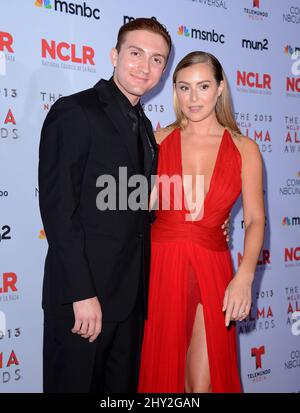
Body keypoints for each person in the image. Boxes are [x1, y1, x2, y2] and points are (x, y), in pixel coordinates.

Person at [38, 18, 172, 393]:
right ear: (114, 55)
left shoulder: (145, 127)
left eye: (157, 59)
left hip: (129, 303)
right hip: (85, 301)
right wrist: (81, 293)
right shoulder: (75, 112)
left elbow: (132, 208)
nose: (145, 66)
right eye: (135, 53)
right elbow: (58, 210)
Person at [138, 51, 265, 393]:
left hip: (214, 268)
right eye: (184, 87)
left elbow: (254, 220)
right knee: (162, 380)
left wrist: (246, 274)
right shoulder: (158, 139)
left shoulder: (244, 149)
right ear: (174, 91)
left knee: (203, 384)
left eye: (203, 86)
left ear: (220, 88)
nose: (193, 98)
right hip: (160, 266)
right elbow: (132, 207)